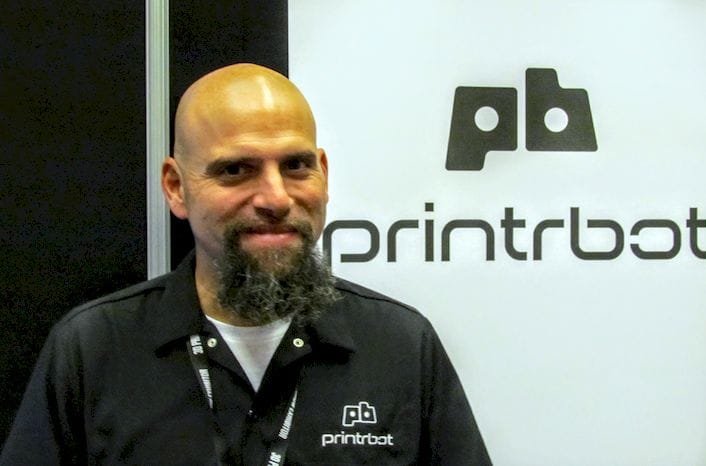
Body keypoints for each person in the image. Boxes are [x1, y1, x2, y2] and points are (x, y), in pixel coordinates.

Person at [1, 64, 492, 465]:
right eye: (236, 169)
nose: (275, 198)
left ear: (323, 173)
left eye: (296, 166)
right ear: (176, 187)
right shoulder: (92, 351)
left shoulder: (400, 347)